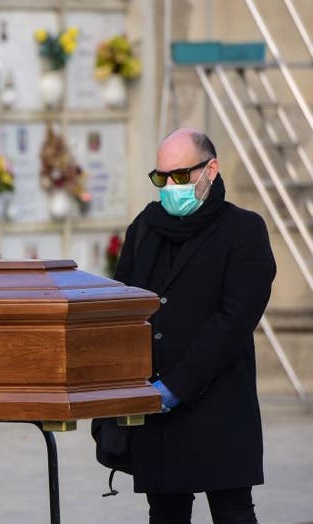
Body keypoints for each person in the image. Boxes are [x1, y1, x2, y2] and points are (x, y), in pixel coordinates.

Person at [114, 128, 276, 523]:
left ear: (211, 170)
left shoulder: (244, 230)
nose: (170, 186)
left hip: (218, 405)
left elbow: (234, 321)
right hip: (158, 411)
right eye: (161, 177)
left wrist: (177, 387)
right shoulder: (145, 229)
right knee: (165, 512)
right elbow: (123, 306)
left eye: (181, 176)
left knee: (232, 511)